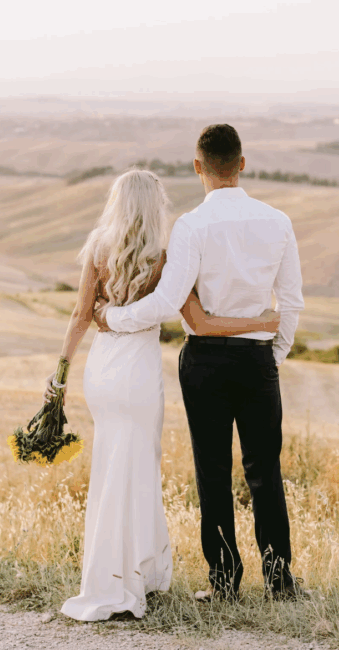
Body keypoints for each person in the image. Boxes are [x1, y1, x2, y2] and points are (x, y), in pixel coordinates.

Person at [48, 169, 281, 622]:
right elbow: (196, 316)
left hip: (102, 369)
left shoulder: (98, 248)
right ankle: (135, 577)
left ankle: (108, 577)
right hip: (136, 370)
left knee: (110, 464)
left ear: (117, 202)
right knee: (138, 467)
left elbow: (80, 316)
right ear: (154, 205)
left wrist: (59, 374)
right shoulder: (164, 256)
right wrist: (263, 324)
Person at [96, 124, 306, 601]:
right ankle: (279, 582)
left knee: (212, 471)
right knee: (264, 471)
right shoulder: (278, 221)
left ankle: (224, 584)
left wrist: (114, 317)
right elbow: (290, 301)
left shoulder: (191, 225)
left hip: (205, 363)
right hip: (257, 361)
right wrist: (271, 354)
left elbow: (170, 301)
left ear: (198, 167)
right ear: (242, 164)